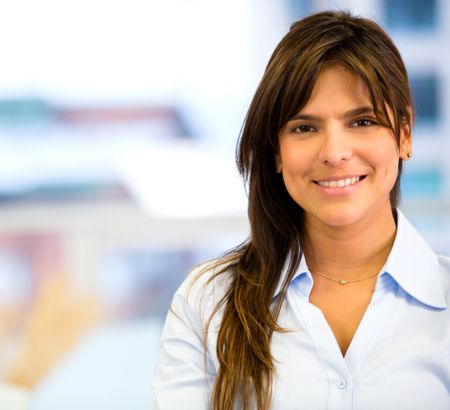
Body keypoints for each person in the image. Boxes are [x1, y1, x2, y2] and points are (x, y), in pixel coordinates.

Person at [153, 10, 450, 410]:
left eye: (362, 121)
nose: (334, 153)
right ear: (277, 151)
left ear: (405, 134)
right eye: (304, 128)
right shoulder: (208, 303)